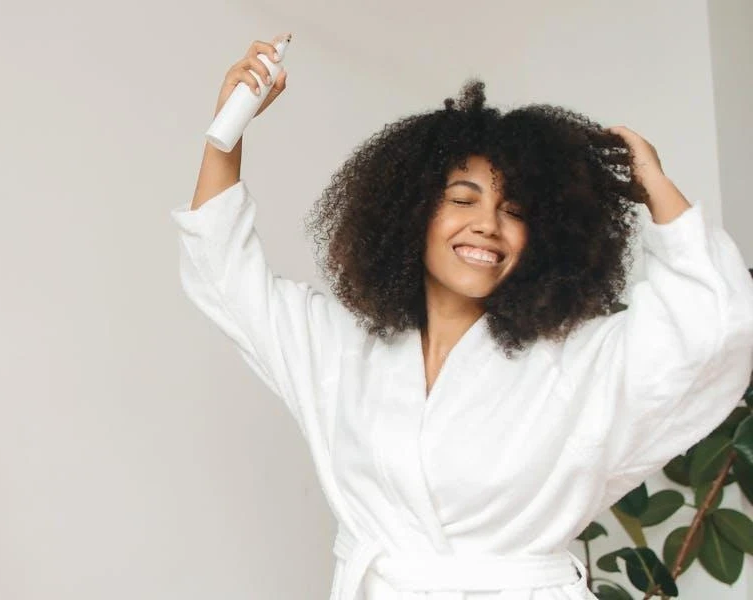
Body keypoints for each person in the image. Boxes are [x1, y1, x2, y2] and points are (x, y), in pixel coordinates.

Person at [170, 34, 753, 600]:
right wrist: (225, 137)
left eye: (514, 209)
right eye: (463, 199)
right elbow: (225, 276)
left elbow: (718, 325)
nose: (488, 225)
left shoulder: (577, 362)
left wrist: (655, 188)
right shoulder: (340, 350)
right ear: (412, 212)